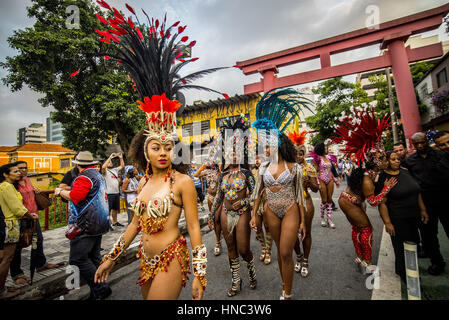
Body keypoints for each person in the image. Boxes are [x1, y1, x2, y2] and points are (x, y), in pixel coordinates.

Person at [250, 88, 310, 300]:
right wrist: (253, 215)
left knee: (286, 251)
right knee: (278, 250)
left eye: (267, 146)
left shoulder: (295, 167)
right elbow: (258, 193)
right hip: (271, 210)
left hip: (290, 208)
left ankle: (288, 294)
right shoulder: (264, 167)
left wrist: (303, 221)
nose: (265, 150)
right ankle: (285, 287)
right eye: (263, 146)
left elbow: (300, 197)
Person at [332, 106, 398, 274]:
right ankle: (367, 262)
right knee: (366, 229)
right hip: (349, 202)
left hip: (347, 200)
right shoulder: (367, 179)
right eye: (382, 158)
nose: (385, 161)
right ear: (374, 161)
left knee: (357, 228)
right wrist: (387, 188)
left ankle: (360, 257)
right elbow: (373, 201)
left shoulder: (366, 173)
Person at [209, 115, 257, 297]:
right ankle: (236, 281)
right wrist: (212, 216)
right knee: (231, 249)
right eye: (230, 151)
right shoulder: (223, 175)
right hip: (225, 214)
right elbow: (218, 198)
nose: (233, 154)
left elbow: (255, 196)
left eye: (237, 151)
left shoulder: (247, 174)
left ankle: (252, 273)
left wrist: (244, 202)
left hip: (242, 214)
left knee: (244, 249)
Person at [54, 151, 111, 300]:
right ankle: (98, 290)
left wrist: (60, 192)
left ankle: (100, 288)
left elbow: (75, 197)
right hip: (98, 222)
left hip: (85, 224)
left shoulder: (84, 177)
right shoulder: (98, 175)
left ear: (77, 164)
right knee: (93, 257)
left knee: (77, 259)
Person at [376, 151, 429, 282]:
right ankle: (404, 272)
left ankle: (412, 267)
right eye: (392, 159)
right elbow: (381, 203)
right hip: (398, 218)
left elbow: (417, 192)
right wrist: (388, 222)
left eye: (398, 159)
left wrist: (423, 210)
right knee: (401, 247)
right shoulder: (383, 177)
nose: (396, 161)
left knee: (415, 242)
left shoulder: (405, 172)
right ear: (386, 161)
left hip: (414, 215)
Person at [9, 161, 64, 285]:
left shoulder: (27, 180)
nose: (23, 170)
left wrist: (36, 191)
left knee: (38, 240)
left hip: (33, 216)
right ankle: (17, 274)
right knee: (17, 246)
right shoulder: (11, 184)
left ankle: (40, 264)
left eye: (25, 168)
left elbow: (30, 193)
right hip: (21, 218)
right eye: (19, 169)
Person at [404, 132, 449, 275]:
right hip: (425, 204)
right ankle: (437, 262)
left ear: (427, 141)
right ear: (413, 144)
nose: (420, 145)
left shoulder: (441, 155)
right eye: (416, 143)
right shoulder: (410, 161)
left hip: (445, 200)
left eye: (422, 142)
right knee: (429, 236)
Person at [0, 163, 38, 299]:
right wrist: (29, 214)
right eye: (15, 171)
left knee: (7, 257)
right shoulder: (6, 187)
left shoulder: (10, 186)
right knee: (7, 258)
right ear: (5, 174)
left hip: (12, 223)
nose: (19, 173)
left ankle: (3, 285)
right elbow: (16, 208)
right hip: (10, 225)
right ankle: (1, 290)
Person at [287, 129, 319, 277]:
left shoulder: (309, 168)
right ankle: (298, 256)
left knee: (306, 233)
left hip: (306, 203)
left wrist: (308, 183)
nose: (298, 156)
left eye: (301, 153)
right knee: (292, 234)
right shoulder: (288, 168)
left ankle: (305, 260)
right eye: (296, 153)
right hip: (291, 205)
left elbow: (316, 189)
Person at [194, 149, 222, 256]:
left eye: (214, 158)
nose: (212, 160)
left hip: (219, 198)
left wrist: (219, 165)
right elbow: (196, 175)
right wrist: (203, 166)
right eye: (211, 158)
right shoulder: (207, 171)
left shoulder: (220, 171)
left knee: (219, 218)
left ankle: (222, 237)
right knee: (214, 219)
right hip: (210, 198)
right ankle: (218, 242)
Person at [310, 142, 338, 228]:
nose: (327, 149)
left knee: (329, 200)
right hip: (321, 179)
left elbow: (330, 170)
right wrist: (317, 183)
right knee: (324, 200)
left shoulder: (329, 158)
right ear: (321, 149)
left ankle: (329, 219)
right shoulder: (316, 159)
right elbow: (315, 171)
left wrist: (335, 180)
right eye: (325, 148)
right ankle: (322, 218)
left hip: (330, 179)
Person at [101, 152, 125, 228]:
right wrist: (110, 157)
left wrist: (121, 158)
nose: (111, 163)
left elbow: (122, 166)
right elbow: (103, 167)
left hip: (116, 192)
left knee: (115, 209)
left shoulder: (115, 170)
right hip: (109, 193)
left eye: (111, 162)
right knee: (108, 210)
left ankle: (115, 222)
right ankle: (107, 224)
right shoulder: (105, 172)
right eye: (109, 162)